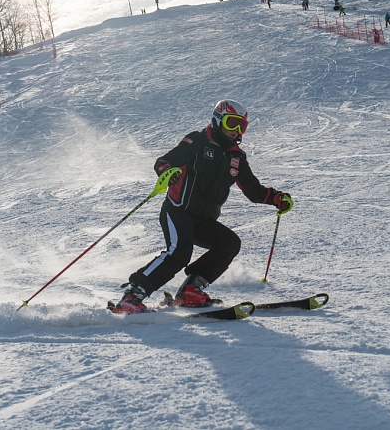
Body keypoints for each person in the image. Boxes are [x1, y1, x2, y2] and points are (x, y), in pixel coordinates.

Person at [111, 100, 294, 314]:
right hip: (178, 211)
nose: (236, 131)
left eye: (241, 126)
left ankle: (190, 290)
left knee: (229, 243)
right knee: (179, 252)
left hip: (204, 220)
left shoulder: (236, 157)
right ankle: (133, 295)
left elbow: (254, 191)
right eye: (231, 123)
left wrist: (275, 198)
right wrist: (167, 171)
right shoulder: (197, 141)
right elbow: (164, 161)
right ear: (218, 120)